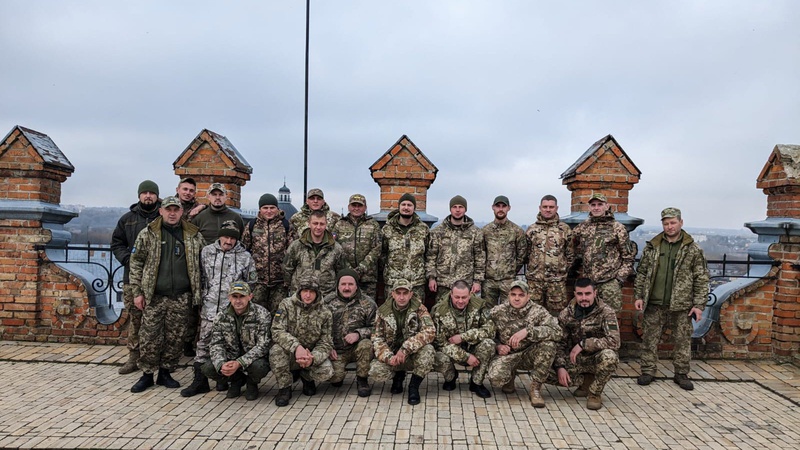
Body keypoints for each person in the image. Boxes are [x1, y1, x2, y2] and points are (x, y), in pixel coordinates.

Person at [128, 196, 204, 393]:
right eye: (168, 209)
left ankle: (165, 372)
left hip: (181, 295)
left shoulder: (192, 235)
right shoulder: (148, 234)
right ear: (161, 211)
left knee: (175, 337)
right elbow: (136, 263)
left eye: (176, 210)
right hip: (155, 295)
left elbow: (204, 263)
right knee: (149, 336)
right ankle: (146, 374)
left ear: (181, 212)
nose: (172, 213)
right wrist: (137, 292)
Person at [634, 207, 709, 391]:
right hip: (654, 301)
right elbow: (642, 272)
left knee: (682, 340)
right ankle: (648, 370)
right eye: (666, 223)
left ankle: (681, 373)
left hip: (682, 303)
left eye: (673, 222)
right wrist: (639, 295)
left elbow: (701, 277)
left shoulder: (692, 248)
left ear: (681, 222)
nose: (670, 227)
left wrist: (699, 305)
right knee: (649, 339)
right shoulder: (653, 246)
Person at [181, 220, 257, 397]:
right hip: (209, 308)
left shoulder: (245, 257)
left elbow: (252, 282)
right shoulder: (206, 252)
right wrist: (202, 298)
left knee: (230, 345)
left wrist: (240, 304)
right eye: (226, 237)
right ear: (220, 236)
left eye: (232, 238)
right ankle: (200, 381)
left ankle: (226, 379)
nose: (228, 241)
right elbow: (198, 277)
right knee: (203, 345)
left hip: (231, 311)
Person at [111, 180, 161, 374]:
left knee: (157, 318)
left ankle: (155, 357)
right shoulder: (128, 219)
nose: (148, 196)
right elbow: (117, 244)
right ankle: (134, 356)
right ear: (139, 195)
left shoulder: (164, 217)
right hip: (132, 278)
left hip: (158, 277)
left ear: (157, 196)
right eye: (145, 193)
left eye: (151, 193)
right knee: (136, 317)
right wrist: (128, 260)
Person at [486, 280, 562, 408]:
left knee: (548, 345)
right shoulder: (498, 311)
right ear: (508, 295)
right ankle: (510, 377)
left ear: (528, 296)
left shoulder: (538, 311)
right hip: (508, 355)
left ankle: (535, 389)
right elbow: (485, 332)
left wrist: (528, 331)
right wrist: (498, 346)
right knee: (495, 378)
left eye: (521, 295)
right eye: (513, 294)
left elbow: (557, 332)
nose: (516, 298)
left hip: (529, 355)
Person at [551, 278, 620, 410]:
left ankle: (594, 393)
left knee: (610, 357)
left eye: (587, 294)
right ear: (575, 294)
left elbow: (614, 341)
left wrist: (584, 344)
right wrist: (560, 367)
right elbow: (560, 343)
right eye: (580, 294)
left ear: (595, 293)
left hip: (596, 359)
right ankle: (585, 382)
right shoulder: (566, 314)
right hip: (575, 360)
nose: (584, 298)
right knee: (546, 371)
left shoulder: (606, 312)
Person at [200, 281, 272, 401]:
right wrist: (222, 364)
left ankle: (251, 383)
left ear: (250, 297)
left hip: (252, 359)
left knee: (259, 367)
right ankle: (236, 381)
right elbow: (216, 343)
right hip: (230, 357)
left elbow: (263, 345)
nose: (238, 301)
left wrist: (240, 363)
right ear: (229, 297)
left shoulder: (262, 314)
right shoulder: (221, 316)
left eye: (242, 296)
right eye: (235, 297)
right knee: (208, 367)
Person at [370, 279, 436, 405]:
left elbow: (430, 331)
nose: (401, 297)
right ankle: (398, 376)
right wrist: (389, 358)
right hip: (393, 354)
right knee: (376, 371)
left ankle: (413, 386)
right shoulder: (382, 311)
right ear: (392, 294)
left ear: (411, 294)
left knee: (428, 351)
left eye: (405, 293)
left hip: (411, 354)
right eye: (398, 293)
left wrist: (406, 348)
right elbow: (376, 338)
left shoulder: (420, 309)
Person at [270, 278, 334, 407]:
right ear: (299, 291)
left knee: (327, 371)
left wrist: (312, 358)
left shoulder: (325, 312)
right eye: (305, 291)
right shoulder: (286, 305)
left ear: (318, 293)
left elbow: (326, 341)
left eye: (312, 291)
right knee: (276, 351)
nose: (308, 295)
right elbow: (277, 330)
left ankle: (307, 377)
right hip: (290, 351)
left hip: (309, 354)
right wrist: (296, 347)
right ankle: (284, 388)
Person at [431, 280, 494, 398]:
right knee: (438, 356)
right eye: (457, 297)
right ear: (451, 294)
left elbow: (490, 330)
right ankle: (451, 376)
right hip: (452, 351)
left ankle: (476, 382)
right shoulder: (439, 311)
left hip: (473, 347)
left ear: (470, 294)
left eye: (464, 297)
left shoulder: (480, 305)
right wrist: (466, 357)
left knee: (488, 344)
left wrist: (463, 337)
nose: (460, 301)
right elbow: (440, 343)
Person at [572, 193, 635, 312]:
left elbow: (628, 257)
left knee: (610, 319)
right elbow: (571, 247)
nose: (596, 208)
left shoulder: (617, 228)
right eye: (593, 205)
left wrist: (619, 280)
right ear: (589, 207)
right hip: (588, 284)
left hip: (609, 283)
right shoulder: (582, 227)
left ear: (606, 206)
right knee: (588, 319)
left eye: (600, 204)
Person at [323, 269, 377, 397]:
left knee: (366, 345)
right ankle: (339, 376)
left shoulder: (368, 303)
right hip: (337, 351)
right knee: (334, 378)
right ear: (337, 285)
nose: (347, 288)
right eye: (343, 284)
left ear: (356, 286)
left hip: (357, 348)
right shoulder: (327, 303)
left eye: (350, 284)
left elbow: (377, 328)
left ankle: (362, 380)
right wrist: (327, 346)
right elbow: (320, 328)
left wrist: (359, 334)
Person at [427, 195, 485, 303]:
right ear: (450, 209)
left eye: (460, 207)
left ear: (465, 209)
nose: (457, 210)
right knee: (441, 314)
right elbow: (431, 256)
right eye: (454, 207)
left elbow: (480, 259)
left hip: (465, 284)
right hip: (443, 283)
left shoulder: (475, 232)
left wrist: (478, 281)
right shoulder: (438, 231)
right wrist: (431, 278)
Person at [526, 194, 574, 315]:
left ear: (556, 208)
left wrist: (560, 272)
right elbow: (525, 253)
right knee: (532, 315)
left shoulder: (564, 229)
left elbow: (570, 255)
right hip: (535, 282)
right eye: (545, 207)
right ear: (540, 208)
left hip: (556, 283)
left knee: (558, 316)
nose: (548, 210)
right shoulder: (532, 230)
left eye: (551, 207)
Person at [240, 193, 288, 312]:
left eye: (272, 208)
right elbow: (243, 250)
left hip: (279, 282)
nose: (269, 211)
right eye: (265, 208)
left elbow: (292, 252)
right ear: (260, 209)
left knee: (278, 314)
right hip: (258, 281)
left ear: (277, 209)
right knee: (256, 313)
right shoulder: (252, 225)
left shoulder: (285, 226)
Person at [283, 210, 346, 297]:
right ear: (309, 224)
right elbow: (287, 269)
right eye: (315, 223)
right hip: (301, 296)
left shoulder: (336, 248)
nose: (318, 227)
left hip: (326, 297)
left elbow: (341, 272)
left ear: (326, 224)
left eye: (322, 224)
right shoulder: (296, 246)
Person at [381, 193, 429, 300]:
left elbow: (428, 254)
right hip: (393, 283)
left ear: (414, 208)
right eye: (403, 204)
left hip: (416, 283)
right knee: (391, 314)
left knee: (417, 314)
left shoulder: (423, 229)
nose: (406, 208)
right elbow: (382, 254)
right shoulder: (387, 229)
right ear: (399, 207)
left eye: (409, 205)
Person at [333, 194, 382, 299]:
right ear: (349, 207)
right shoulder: (339, 225)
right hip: (345, 277)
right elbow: (335, 248)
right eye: (353, 205)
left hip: (367, 277)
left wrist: (361, 268)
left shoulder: (373, 225)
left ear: (365, 207)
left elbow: (377, 249)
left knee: (368, 307)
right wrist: (349, 270)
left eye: (359, 206)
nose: (356, 208)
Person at [482, 195, 527, 305]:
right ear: (493, 207)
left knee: (508, 313)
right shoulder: (485, 231)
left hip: (508, 281)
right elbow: (480, 254)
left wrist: (511, 270)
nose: (500, 209)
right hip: (489, 281)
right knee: (487, 312)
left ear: (508, 208)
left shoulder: (517, 231)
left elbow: (522, 254)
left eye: (503, 206)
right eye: (498, 206)